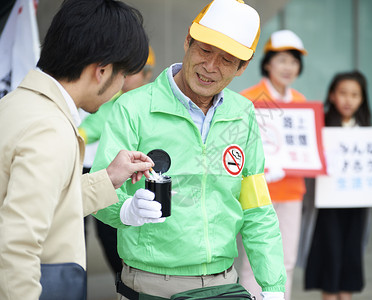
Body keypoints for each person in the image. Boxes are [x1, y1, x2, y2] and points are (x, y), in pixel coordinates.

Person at [90, 0, 287, 299]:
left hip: (224, 284)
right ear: (187, 41)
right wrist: (126, 210)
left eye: (226, 59)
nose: (209, 67)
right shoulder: (134, 109)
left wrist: (273, 286)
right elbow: (99, 190)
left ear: (242, 67)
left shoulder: (242, 113)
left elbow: (257, 208)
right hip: (152, 286)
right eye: (204, 50)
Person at [0, 0, 153, 299]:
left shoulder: (16, 105)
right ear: (103, 70)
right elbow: (17, 245)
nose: (121, 87)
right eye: (123, 76)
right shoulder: (50, 128)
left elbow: (50, 204)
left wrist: (108, 178)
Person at [238, 29, 308, 300]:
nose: (288, 67)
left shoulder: (302, 103)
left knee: (287, 261)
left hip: (292, 191)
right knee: (253, 262)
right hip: (257, 192)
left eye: (293, 61)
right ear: (267, 63)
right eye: (282, 60)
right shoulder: (248, 98)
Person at [79, 46, 156, 276]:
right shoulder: (114, 101)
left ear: (147, 74)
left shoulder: (154, 103)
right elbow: (90, 128)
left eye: (132, 72)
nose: (124, 77)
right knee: (106, 240)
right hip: (107, 180)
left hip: (140, 184)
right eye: (123, 70)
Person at [304, 71, 372, 300]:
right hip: (328, 206)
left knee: (352, 256)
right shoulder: (320, 125)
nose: (348, 99)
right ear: (332, 95)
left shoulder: (366, 130)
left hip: (357, 206)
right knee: (330, 258)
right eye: (343, 93)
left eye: (354, 94)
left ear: (362, 99)